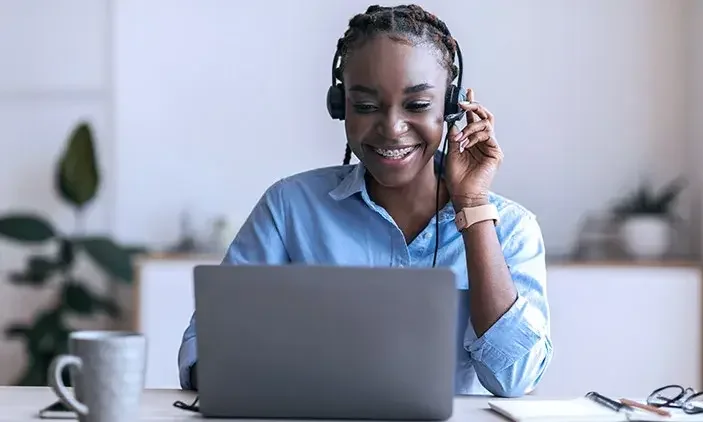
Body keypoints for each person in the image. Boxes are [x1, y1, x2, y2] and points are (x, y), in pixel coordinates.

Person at [179, 4, 552, 397]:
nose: (391, 128)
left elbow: (516, 379)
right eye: (366, 106)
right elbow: (204, 355)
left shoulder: (511, 228)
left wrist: (473, 206)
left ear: (451, 106)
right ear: (340, 107)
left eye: (418, 105)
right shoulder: (289, 209)